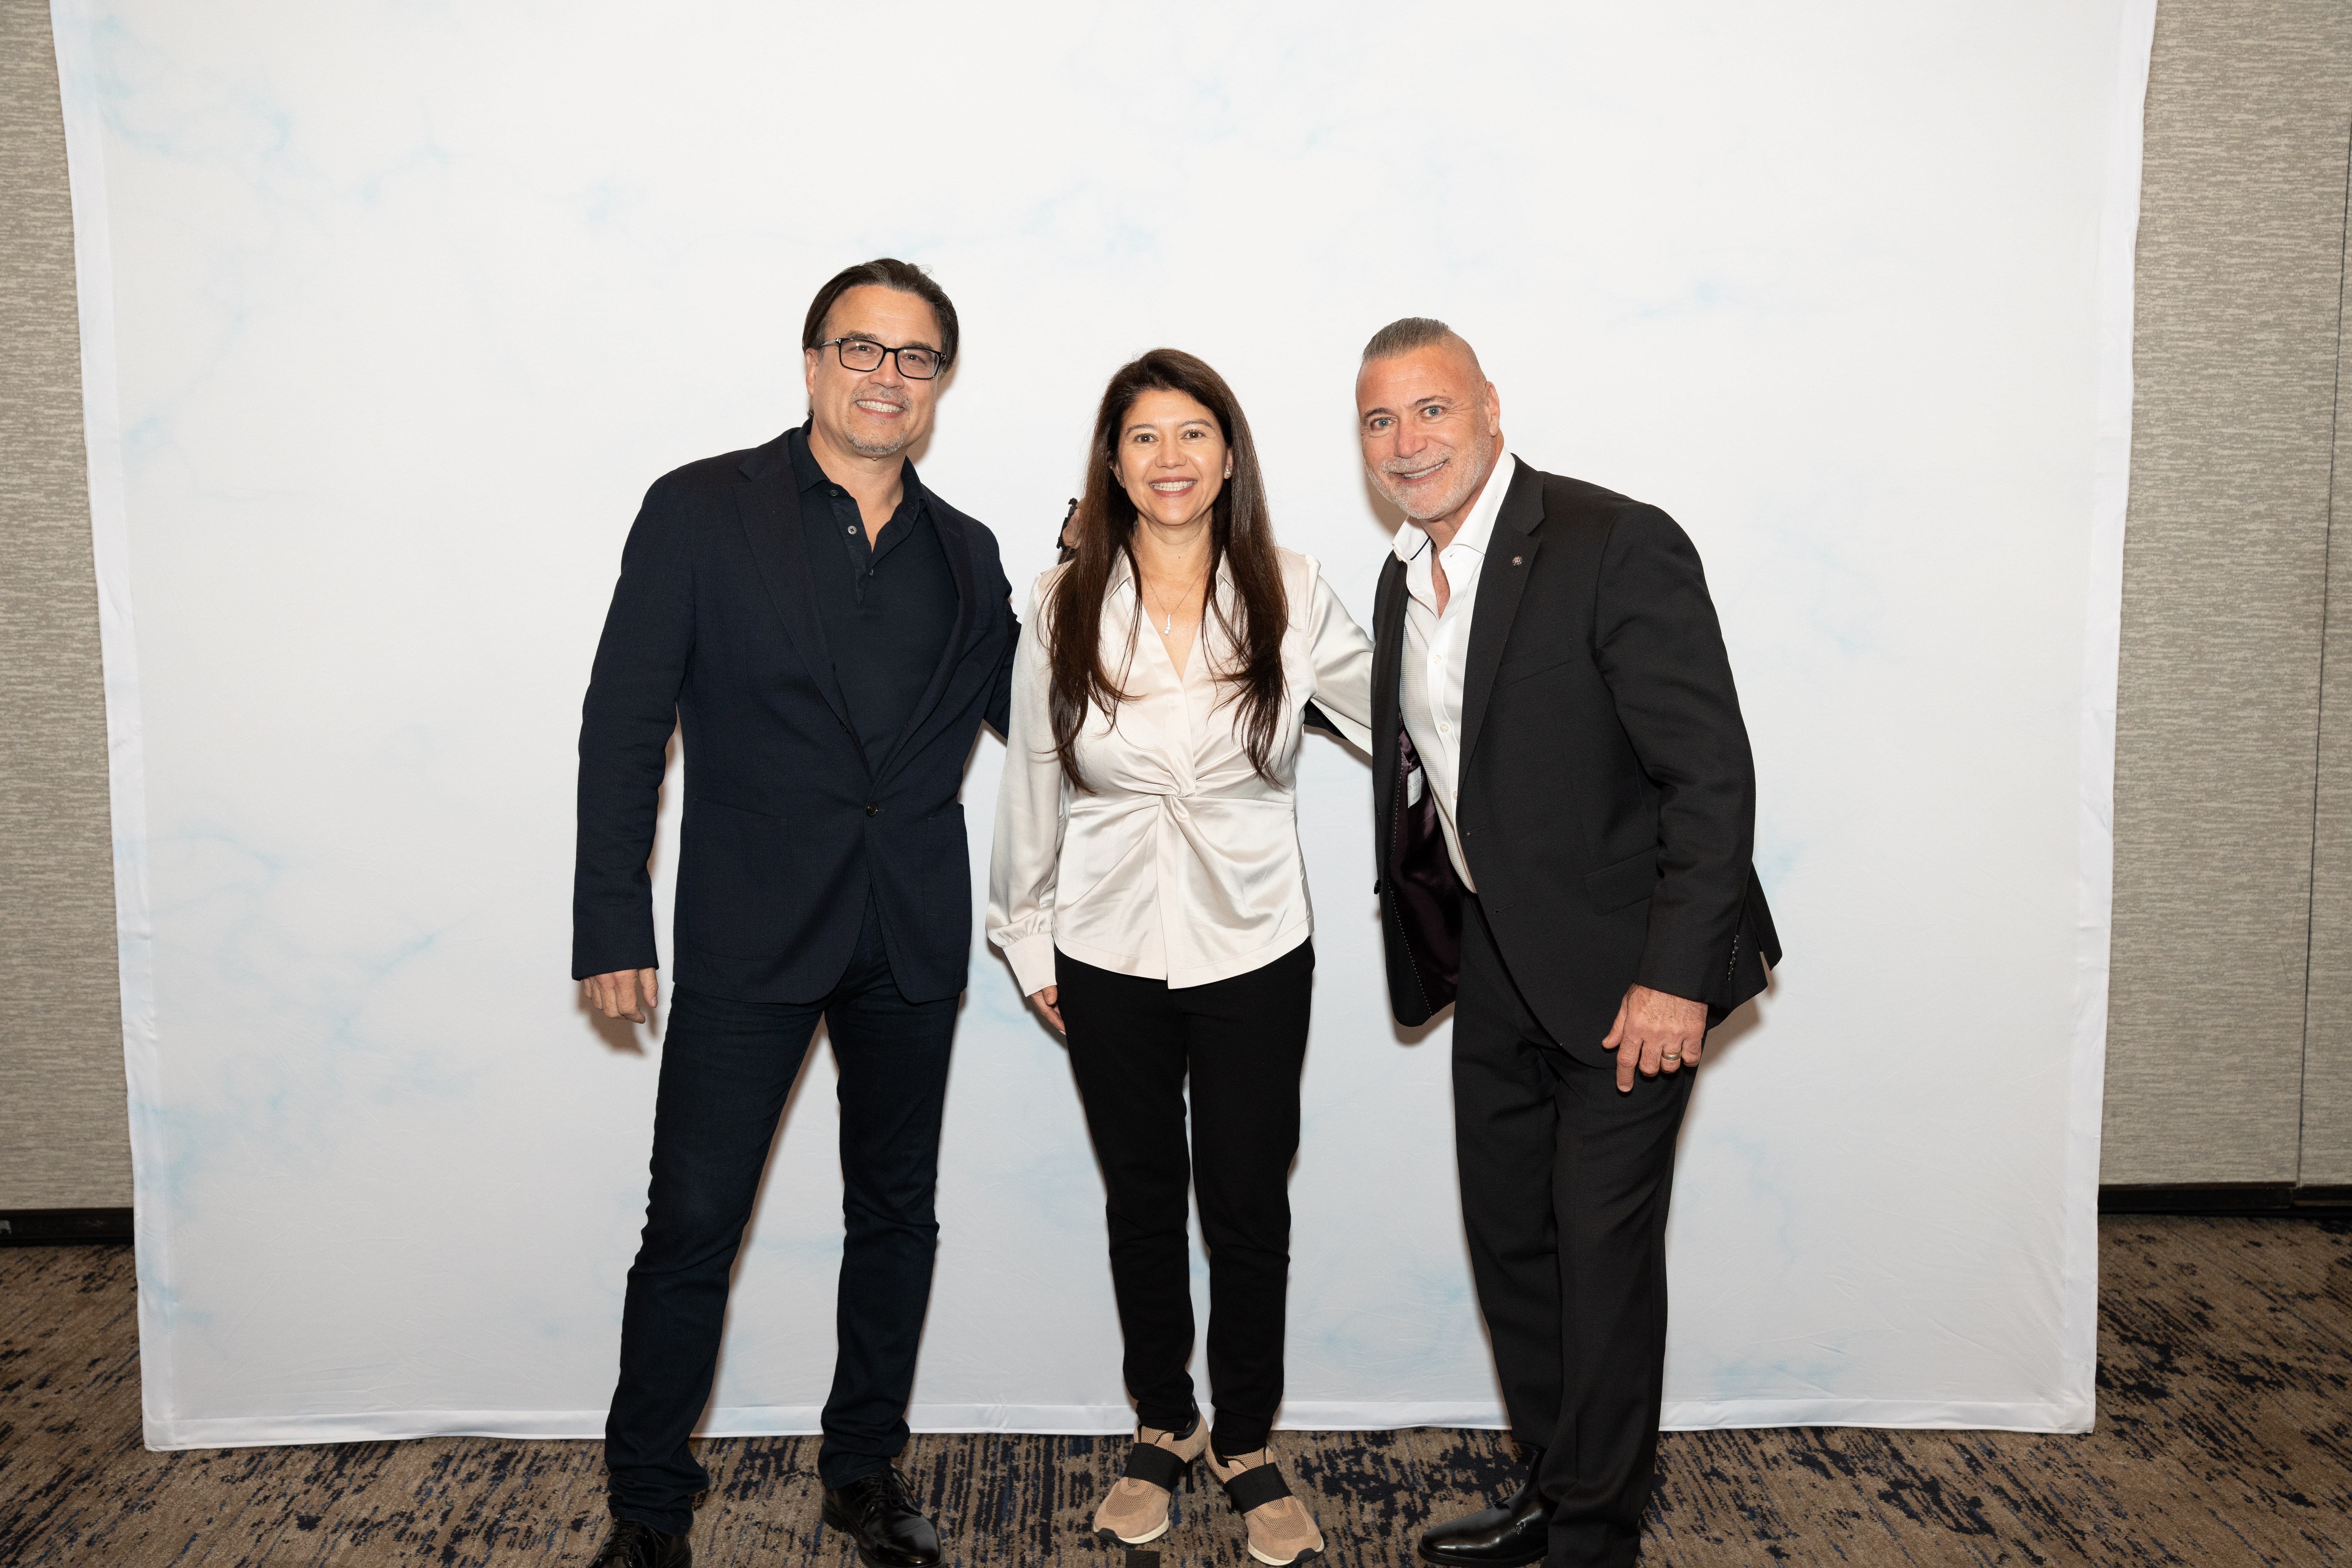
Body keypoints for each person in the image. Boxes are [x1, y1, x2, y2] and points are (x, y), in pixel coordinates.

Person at [573, 259, 1016, 1568]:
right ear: (814, 362)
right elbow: (624, 723)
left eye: (915, 356)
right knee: (691, 1228)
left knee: (895, 1216)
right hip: (749, 930)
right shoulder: (702, 508)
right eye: (861, 348)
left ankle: (864, 1472)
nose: (888, 375)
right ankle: (650, 1509)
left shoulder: (968, 551)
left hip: (910, 934)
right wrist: (611, 919)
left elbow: (1049, 726)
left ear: (940, 382)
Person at [1353, 320, 1779, 1568]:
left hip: (1630, 976)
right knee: (1514, 1246)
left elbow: (1710, 779)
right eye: (1380, 420)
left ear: (1490, 406)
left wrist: (1674, 979)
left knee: (1601, 1257)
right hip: (1496, 963)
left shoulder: (1612, 542)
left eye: (1431, 409)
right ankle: (1552, 1488)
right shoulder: (1401, 579)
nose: (1407, 442)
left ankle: (1597, 1536)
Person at [988, 349, 1373, 1567]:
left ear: (1228, 453)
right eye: (1145, 436)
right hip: (1104, 945)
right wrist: (1026, 934)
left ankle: (1246, 1441)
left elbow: (1407, 712)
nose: (1170, 457)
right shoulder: (1060, 602)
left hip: (1257, 939)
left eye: (1194, 432)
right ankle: (1165, 1420)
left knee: (1249, 1200)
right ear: (1113, 463)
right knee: (1143, 1197)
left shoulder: (1291, 587)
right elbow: (1033, 776)